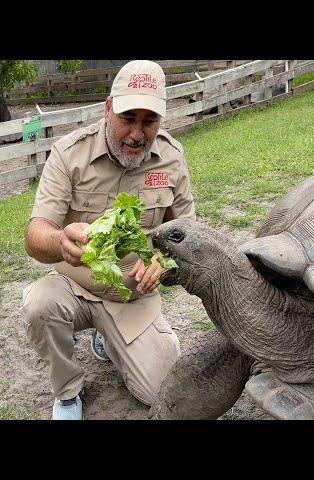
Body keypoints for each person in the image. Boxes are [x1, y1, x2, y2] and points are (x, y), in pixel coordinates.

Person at [22, 60, 196, 420]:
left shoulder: (172, 160)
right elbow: (34, 233)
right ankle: (68, 393)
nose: (137, 133)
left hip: (133, 297)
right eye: (127, 117)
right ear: (107, 109)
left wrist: (163, 264)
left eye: (149, 120)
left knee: (163, 392)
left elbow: (190, 236)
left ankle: (111, 341)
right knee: (40, 306)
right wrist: (60, 241)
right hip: (74, 286)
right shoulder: (70, 153)